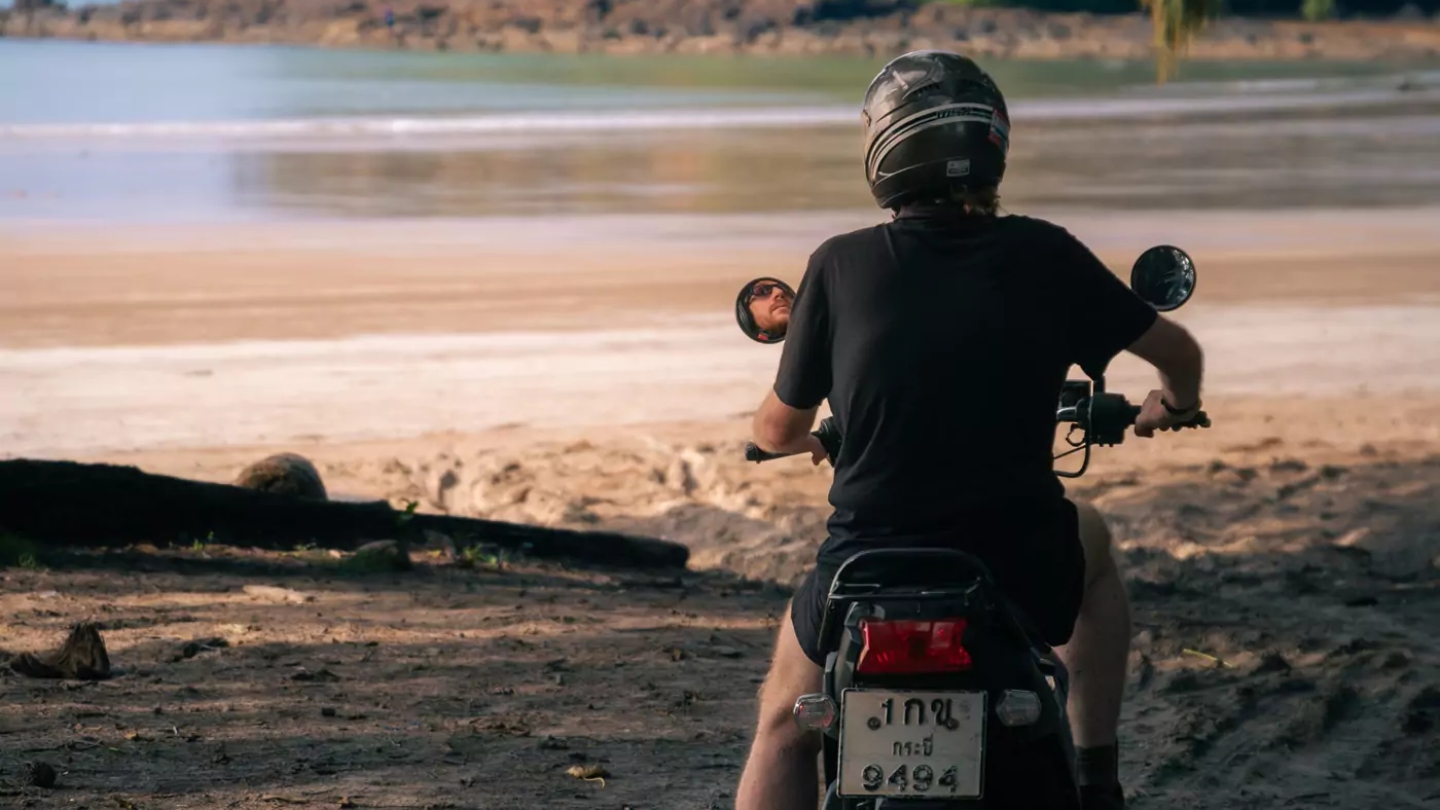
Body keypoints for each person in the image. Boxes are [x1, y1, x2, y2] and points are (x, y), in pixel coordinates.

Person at [734, 50, 1206, 810]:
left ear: (884, 147)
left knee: (784, 725)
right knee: (1095, 549)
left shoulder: (841, 263)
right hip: (1016, 562)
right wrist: (1172, 407)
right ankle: (1096, 772)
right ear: (993, 143)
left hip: (868, 566)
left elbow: (776, 426)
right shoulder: (1046, 252)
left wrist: (806, 440)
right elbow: (1179, 354)